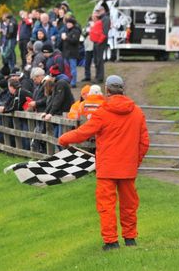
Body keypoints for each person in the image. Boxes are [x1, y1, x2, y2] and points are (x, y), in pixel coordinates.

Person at [59, 75, 149, 251]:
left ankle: (111, 242)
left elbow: (83, 132)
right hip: (127, 168)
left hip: (107, 167)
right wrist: (134, 162)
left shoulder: (103, 112)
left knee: (106, 206)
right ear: (123, 89)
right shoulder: (137, 112)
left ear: (107, 90)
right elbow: (144, 142)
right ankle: (130, 239)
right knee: (129, 205)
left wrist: (64, 139)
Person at [90, 6, 110, 84]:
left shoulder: (106, 19)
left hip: (100, 42)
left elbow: (105, 32)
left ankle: (100, 77)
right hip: (96, 41)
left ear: (103, 10)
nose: (98, 13)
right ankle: (97, 76)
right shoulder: (101, 18)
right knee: (96, 60)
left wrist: (99, 42)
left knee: (99, 60)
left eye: (99, 11)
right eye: (97, 11)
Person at [61, 17, 82, 87]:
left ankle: (73, 83)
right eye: (67, 23)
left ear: (73, 24)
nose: (68, 24)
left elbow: (75, 41)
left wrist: (66, 38)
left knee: (73, 69)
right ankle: (68, 81)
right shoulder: (67, 31)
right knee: (67, 69)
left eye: (70, 23)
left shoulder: (76, 31)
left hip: (72, 53)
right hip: (66, 53)